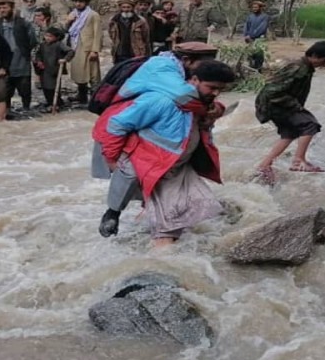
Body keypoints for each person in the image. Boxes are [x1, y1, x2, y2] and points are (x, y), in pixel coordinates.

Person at [93, 59, 235, 245]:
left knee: (200, 209)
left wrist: (217, 109)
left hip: (179, 168)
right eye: (212, 87)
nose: (216, 93)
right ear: (193, 80)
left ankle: (154, 241)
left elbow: (214, 107)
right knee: (169, 229)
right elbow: (116, 125)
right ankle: (158, 264)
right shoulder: (161, 101)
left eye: (220, 89)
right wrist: (111, 158)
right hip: (154, 168)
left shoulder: (202, 103)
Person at [253, 40, 325, 184]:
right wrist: (296, 106)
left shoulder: (305, 66)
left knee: (290, 132)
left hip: (279, 103)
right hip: (275, 104)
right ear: (315, 55)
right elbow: (271, 91)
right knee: (310, 124)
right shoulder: (298, 68)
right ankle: (298, 161)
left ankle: (265, 165)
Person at [0, 0, 36, 111]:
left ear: (11, 8)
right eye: (0, 8)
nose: (2, 10)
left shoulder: (23, 23)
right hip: (4, 62)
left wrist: (23, 51)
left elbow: (32, 40)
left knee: (24, 88)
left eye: (5, 7)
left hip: (21, 60)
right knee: (5, 88)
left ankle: (26, 109)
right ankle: (7, 110)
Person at [65, 0, 102, 104]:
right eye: (76, 1)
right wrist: (69, 21)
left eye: (80, 1)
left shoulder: (93, 15)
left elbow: (98, 33)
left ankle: (96, 99)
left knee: (92, 73)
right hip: (76, 46)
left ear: (86, 2)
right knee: (79, 72)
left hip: (88, 47)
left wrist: (95, 50)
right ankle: (82, 96)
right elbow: (67, 30)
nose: (78, 4)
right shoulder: (73, 14)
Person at [34, 26, 73, 112]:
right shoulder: (42, 45)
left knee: (53, 87)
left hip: (54, 69)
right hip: (44, 69)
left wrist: (65, 59)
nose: (47, 38)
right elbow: (38, 54)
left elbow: (70, 51)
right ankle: (50, 103)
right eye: (46, 36)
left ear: (56, 37)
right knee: (45, 87)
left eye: (50, 36)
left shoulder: (59, 44)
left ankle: (57, 104)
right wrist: (39, 61)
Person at [108, 0, 149, 65]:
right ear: (120, 8)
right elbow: (111, 35)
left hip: (135, 53)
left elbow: (145, 37)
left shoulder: (140, 21)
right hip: (119, 52)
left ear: (132, 8)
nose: (126, 10)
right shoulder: (113, 21)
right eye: (123, 7)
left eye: (128, 7)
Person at [243, 0, 269, 71]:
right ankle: (251, 68)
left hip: (259, 39)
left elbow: (262, 28)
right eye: (253, 7)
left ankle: (258, 70)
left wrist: (252, 36)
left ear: (260, 8)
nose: (254, 9)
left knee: (259, 54)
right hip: (249, 39)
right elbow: (246, 26)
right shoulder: (250, 16)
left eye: (256, 7)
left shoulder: (265, 17)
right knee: (250, 54)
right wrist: (246, 35)